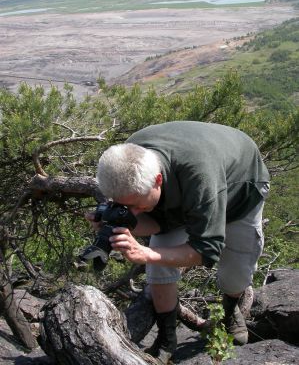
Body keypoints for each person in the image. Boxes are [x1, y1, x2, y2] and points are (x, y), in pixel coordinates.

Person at [93, 121, 270, 364]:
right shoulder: (131, 158)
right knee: (158, 263)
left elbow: (207, 251)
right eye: (125, 205)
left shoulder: (200, 176)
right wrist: (112, 223)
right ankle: (167, 339)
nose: (131, 212)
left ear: (157, 180)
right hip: (187, 187)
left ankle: (231, 308)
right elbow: (154, 223)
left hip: (240, 192)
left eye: (135, 205)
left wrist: (146, 253)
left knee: (235, 272)